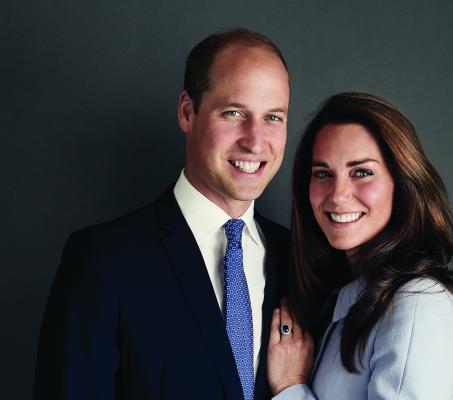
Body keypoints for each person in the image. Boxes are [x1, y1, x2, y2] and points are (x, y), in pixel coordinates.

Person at [34, 28, 290, 400]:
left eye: (273, 117)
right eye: (234, 113)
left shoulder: (299, 257)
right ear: (187, 112)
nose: (255, 140)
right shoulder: (102, 260)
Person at [267, 92, 453, 399]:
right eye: (323, 174)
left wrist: (289, 386)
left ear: (402, 184)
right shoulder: (347, 298)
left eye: (361, 172)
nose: (337, 195)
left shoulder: (418, 305)